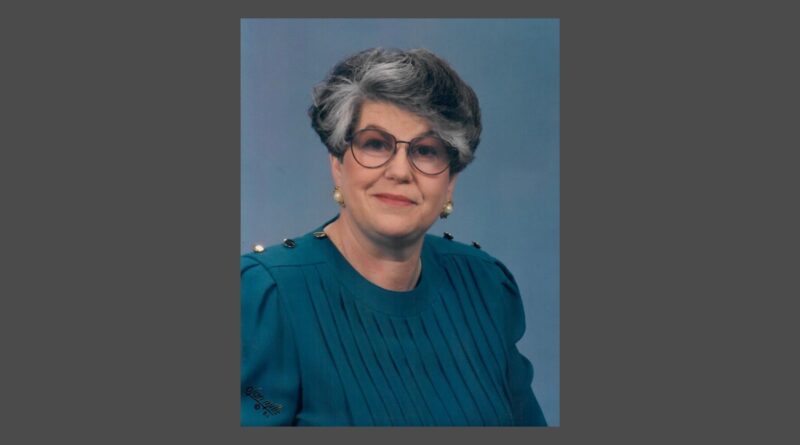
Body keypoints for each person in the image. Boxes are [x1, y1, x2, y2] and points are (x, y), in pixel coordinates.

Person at [241, 47, 547, 426]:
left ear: (450, 181)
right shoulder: (267, 295)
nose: (400, 171)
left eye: (426, 151)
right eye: (375, 144)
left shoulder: (486, 287)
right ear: (338, 163)